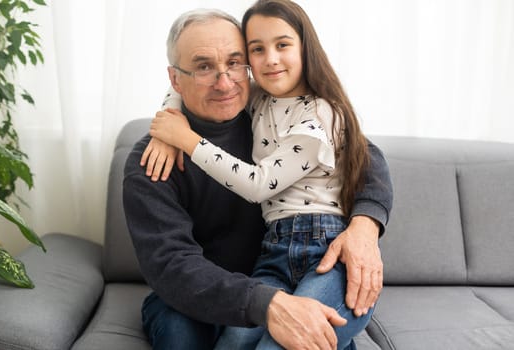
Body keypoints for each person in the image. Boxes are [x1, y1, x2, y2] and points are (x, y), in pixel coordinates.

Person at [123, 6, 392, 350]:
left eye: (234, 62)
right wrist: (170, 127)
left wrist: (365, 226)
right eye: (204, 67)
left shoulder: (266, 110)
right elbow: (172, 265)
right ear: (176, 78)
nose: (224, 82)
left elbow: (365, 156)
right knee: (180, 336)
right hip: (202, 291)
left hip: (294, 270)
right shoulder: (152, 160)